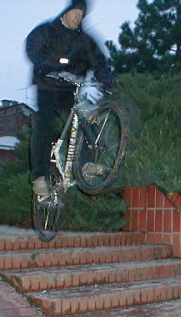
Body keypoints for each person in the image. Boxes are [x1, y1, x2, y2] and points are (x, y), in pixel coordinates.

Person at [26, 0, 112, 196]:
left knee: (83, 121)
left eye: (82, 14)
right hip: (47, 86)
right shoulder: (48, 31)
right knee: (44, 125)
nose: (78, 17)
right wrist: (44, 65)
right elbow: (33, 47)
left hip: (68, 89)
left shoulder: (84, 41)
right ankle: (39, 177)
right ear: (66, 12)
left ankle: (86, 165)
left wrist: (106, 80)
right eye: (75, 12)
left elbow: (100, 62)